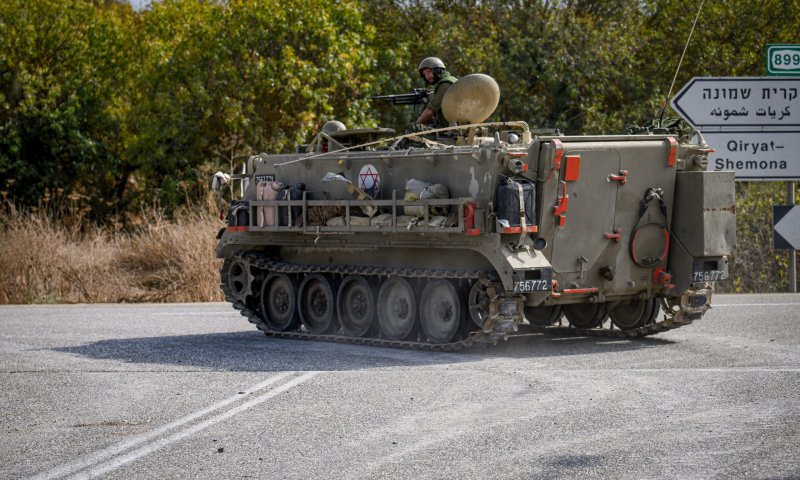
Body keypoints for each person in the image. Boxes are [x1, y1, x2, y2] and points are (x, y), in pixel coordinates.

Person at [414, 57, 458, 129]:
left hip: (452, 129)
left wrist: (415, 125)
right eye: (424, 74)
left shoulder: (445, 84)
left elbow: (430, 111)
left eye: (429, 72)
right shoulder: (451, 80)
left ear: (438, 70)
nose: (427, 76)